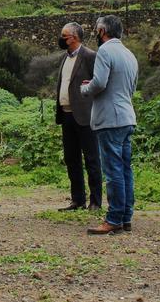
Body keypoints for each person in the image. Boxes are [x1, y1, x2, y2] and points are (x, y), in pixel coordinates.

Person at [80, 15, 139, 235]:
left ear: (103, 30)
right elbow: (130, 88)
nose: (95, 32)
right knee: (125, 170)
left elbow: (100, 83)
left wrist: (85, 89)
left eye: (96, 29)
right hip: (126, 116)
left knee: (113, 170)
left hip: (110, 119)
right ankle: (125, 217)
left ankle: (113, 218)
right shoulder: (129, 53)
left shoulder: (105, 51)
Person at [54, 22, 102, 211]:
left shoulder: (90, 56)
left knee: (91, 159)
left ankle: (96, 201)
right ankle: (78, 199)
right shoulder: (65, 58)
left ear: (74, 37)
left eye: (64, 36)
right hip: (66, 115)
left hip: (85, 116)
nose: (61, 38)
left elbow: (98, 83)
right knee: (71, 158)